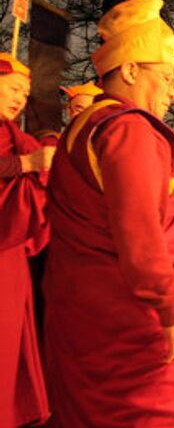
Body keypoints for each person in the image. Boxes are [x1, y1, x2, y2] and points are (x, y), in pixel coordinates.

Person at [44, 0, 174, 426]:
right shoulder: (128, 130)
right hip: (135, 335)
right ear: (131, 69)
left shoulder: (85, 126)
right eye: (166, 76)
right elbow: (140, 232)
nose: (172, 91)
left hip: (90, 320)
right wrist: (172, 310)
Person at [0, 53, 53, 427]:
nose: (20, 98)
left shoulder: (11, 131)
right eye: (13, 88)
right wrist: (27, 164)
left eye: (25, 92)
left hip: (10, 242)